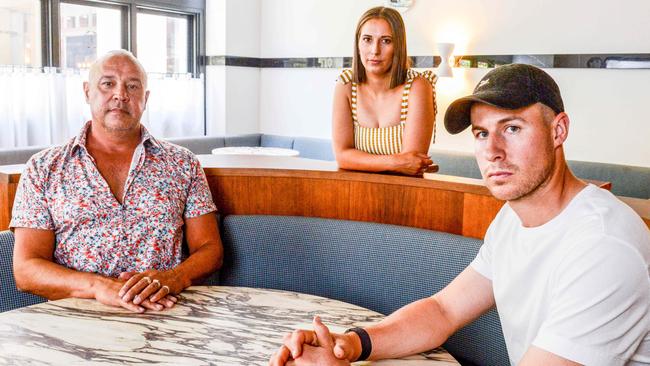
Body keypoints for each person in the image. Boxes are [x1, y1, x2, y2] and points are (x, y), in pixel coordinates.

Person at [269, 64, 650, 365]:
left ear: (558, 130)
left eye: (512, 128)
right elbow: (443, 311)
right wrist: (349, 344)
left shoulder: (603, 245)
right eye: (482, 134)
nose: (493, 151)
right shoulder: (511, 219)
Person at [11, 50, 223, 313]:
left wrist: (175, 277)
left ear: (145, 99)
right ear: (87, 92)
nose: (120, 94)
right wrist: (99, 287)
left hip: (164, 313)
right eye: (108, 83)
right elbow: (26, 269)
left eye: (132, 86)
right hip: (76, 320)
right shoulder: (43, 168)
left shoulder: (183, 164)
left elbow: (210, 248)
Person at [333, 6, 437, 176]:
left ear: (398, 46)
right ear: (358, 43)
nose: (375, 50)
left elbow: (412, 165)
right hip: (354, 191)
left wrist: (360, 159)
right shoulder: (345, 85)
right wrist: (395, 161)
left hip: (405, 193)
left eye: (386, 40)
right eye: (367, 39)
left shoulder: (418, 86)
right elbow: (342, 156)